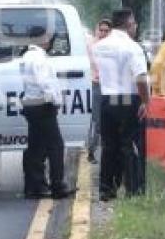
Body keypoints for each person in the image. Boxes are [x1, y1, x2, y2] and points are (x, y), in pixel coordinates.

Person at [92, 8, 150, 201]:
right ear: (128, 24)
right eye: (134, 24)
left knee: (109, 146)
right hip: (128, 98)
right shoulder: (132, 47)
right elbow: (141, 78)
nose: (135, 27)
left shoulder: (99, 46)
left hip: (107, 98)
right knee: (131, 146)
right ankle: (134, 190)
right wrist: (146, 102)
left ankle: (107, 189)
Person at [20, 33, 74, 199]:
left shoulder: (27, 56)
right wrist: (56, 100)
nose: (50, 43)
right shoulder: (39, 59)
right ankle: (58, 186)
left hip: (31, 105)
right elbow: (45, 82)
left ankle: (34, 187)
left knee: (35, 147)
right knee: (55, 146)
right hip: (43, 105)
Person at [86, 18, 112, 164]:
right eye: (101, 30)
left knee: (108, 119)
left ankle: (106, 150)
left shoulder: (111, 46)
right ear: (96, 30)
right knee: (96, 120)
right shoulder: (92, 45)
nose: (103, 33)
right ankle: (91, 150)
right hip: (97, 85)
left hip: (110, 86)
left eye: (106, 31)